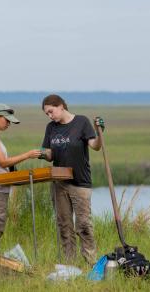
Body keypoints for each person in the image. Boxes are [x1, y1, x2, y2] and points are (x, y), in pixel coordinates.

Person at [40, 94, 104, 265]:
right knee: (64, 225)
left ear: (61, 106)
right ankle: (69, 265)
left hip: (80, 182)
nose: (50, 116)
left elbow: (95, 146)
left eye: (51, 111)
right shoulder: (51, 128)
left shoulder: (81, 122)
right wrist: (40, 153)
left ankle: (91, 262)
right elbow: (50, 153)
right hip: (59, 183)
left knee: (83, 225)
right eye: (47, 114)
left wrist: (99, 132)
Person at [0, 103, 41, 253]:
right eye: (7, 120)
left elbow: (2, 165)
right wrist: (28, 155)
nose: (8, 124)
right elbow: (3, 162)